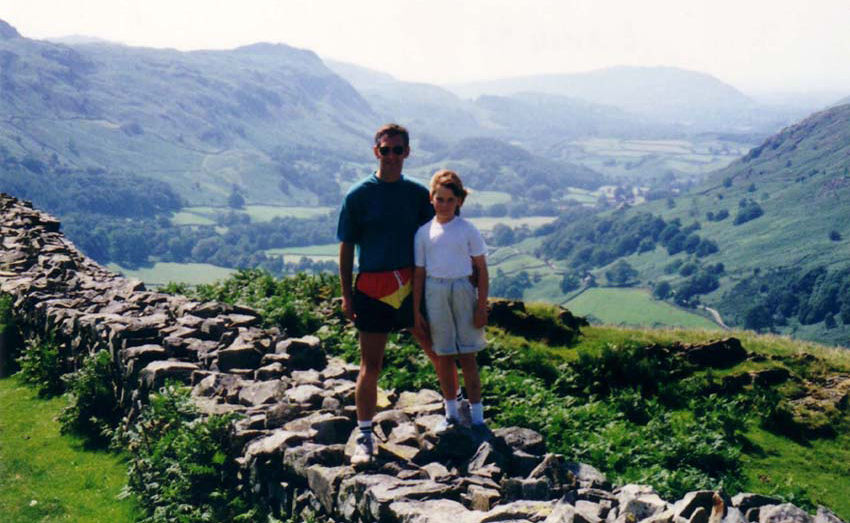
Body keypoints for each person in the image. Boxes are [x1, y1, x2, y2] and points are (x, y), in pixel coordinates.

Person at [337, 123, 458, 466]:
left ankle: (455, 411)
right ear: (376, 152)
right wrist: (347, 295)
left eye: (397, 150)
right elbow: (347, 248)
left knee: (438, 350)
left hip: (411, 284)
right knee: (370, 365)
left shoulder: (418, 195)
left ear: (407, 153)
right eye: (385, 149)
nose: (391, 156)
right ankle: (363, 435)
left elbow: (439, 235)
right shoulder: (358, 196)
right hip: (373, 288)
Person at [413, 169, 490, 438]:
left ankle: (478, 417)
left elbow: (481, 267)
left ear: (459, 201)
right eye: (439, 199)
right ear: (431, 199)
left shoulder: (467, 229)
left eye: (449, 199)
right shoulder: (423, 233)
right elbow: (419, 273)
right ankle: (451, 413)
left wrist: (481, 305)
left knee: (468, 355)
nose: (444, 204)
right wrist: (415, 310)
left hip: (462, 289)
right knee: (444, 355)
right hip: (435, 291)